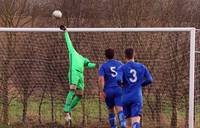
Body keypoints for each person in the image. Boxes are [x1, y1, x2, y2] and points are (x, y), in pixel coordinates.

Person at [60, 25, 96, 123]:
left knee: (80, 94)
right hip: (74, 73)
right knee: (72, 90)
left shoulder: (83, 58)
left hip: (81, 75)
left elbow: (89, 64)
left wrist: (96, 65)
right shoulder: (72, 52)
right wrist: (65, 31)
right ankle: (66, 109)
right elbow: (69, 42)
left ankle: (69, 109)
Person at [117, 48, 153, 128]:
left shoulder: (122, 68)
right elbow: (150, 80)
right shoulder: (142, 67)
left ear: (125, 56)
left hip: (125, 97)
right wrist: (140, 85)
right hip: (136, 96)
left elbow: (118, 80)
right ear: (134, 55)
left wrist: (122, 85)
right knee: (136, 122)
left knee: (128, 124)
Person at [98, 49, 126, 128]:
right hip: (119, 89)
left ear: (105, 56)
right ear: (114, 55)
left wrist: (101, 91)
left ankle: (114, 126)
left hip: (108, 90)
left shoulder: (103, 66)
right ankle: (123, 124)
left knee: (111, 109)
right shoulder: (120, 64)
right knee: (120, 109)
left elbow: (101, 79)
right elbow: (124, 76)